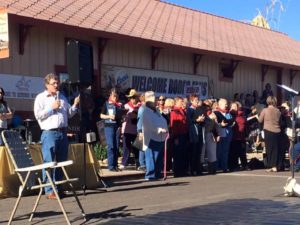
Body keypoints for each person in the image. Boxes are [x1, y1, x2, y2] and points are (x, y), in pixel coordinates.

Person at [34, 73, 80, 199]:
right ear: (47, 85)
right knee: (49, 162)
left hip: (62, 132)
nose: (56, 85)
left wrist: (75, 105)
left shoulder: (63, 97)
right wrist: (51, 108)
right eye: (54, 83)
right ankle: (49, 190)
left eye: (57, 82)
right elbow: (38, 115)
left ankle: (59, 188)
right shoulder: (41, 98)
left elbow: (69, 114)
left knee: (61, 162)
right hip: (49, 133)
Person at [142, 91, 168, 180]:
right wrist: (159, 129)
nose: (155, 102)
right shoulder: (145, 111)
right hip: (150, 137)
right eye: (153, 101)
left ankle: (157, 173)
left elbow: (162, 120)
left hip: (160, 137)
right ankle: (150, 175)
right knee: (150, 157)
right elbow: (148, 124)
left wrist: (165, 129)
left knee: (158, 157)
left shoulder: (156, 111)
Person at [100, 89, 122, 172]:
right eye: (114, 96)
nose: (115, 98)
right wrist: (109, 117)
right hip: (109, 126)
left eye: (117, 96)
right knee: (111, 146)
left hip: (117, 127)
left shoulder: (118, 105)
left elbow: (120, 117)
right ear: (110, 96)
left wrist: (120, 125)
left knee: (116, 146)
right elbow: (101, 115)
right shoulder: (106, 104)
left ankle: (115, 165)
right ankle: (111, 165)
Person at [257, 96, 281, 172]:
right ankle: (276, 166)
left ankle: (271, 166)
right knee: (276, 149)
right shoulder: (278, 111)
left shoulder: (265, 110)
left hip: (268, 130)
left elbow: (260, 120)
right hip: (277, 131)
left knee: (269, 149)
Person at [119, 89, 140, 170]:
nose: (133, 99)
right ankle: (124, 163)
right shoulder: (126, 106)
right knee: (126, 147)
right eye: (131, 97)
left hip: (136, 130)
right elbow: (122, 117)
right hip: (127, 129)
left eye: (134, 97)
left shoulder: (140, 106)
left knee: (136, 147)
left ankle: (138, 163)